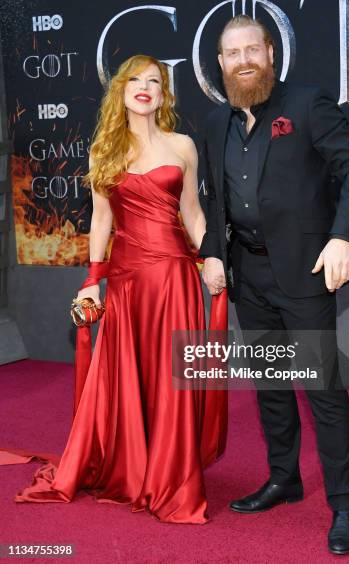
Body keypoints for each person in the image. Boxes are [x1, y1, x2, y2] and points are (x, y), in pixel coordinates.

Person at [0, 54, 227, 524]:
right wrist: (92, 283)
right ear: (120, 90)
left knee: (172, 378)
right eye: (135, 80)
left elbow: (194, 213)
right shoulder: (104, 150)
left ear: (164, 95)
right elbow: (101, 220)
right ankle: (133, 467)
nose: (145, 87)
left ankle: (172, 476)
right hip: (125, 281)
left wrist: (210, 258)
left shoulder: (183, 145)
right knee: (128, 377)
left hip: (173, 279)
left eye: (155, 81)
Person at [200, 15, 349, 553]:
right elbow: (215, 200)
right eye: (233, 53)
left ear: (271, 53)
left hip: (305, 273)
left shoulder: (307, 104)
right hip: (248, 275)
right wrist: (212, 253)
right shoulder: (214, 124)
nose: (243, 60)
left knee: (322, 392)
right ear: (221, 63)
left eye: (252, 49)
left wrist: (343, 237)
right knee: (272, 387)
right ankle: (284, 479)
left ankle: (344, 506)